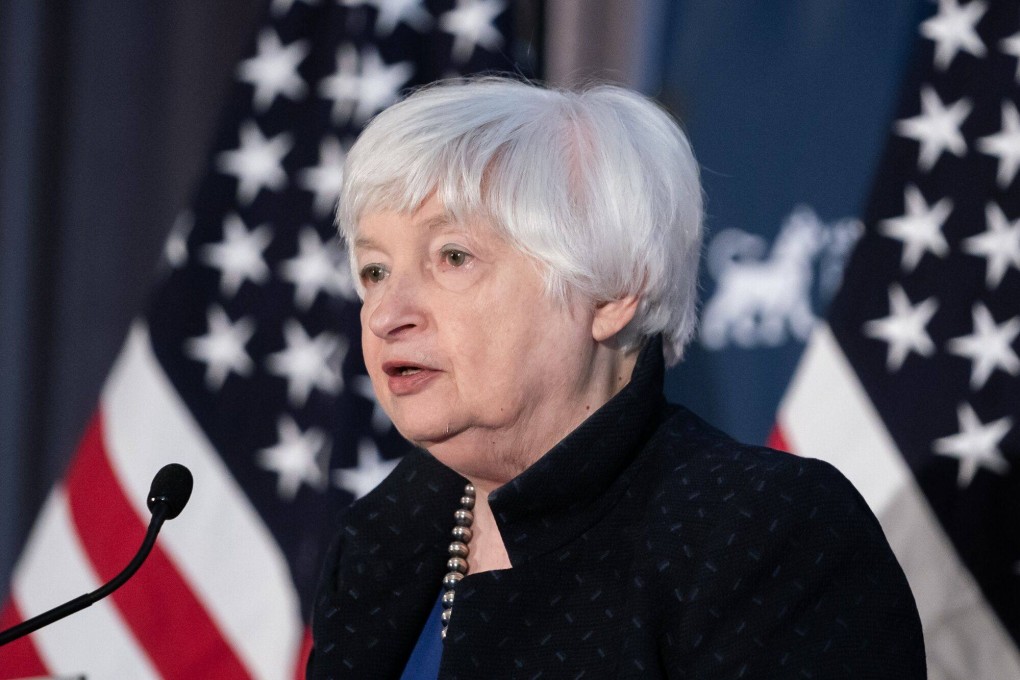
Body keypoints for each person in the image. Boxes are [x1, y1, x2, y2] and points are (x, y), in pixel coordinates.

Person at [306, 77, 926, 679]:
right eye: (375, 271)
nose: (386, 315)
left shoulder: (760, 533)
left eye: (454, 257)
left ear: (611, 290)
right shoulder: (378, 542)